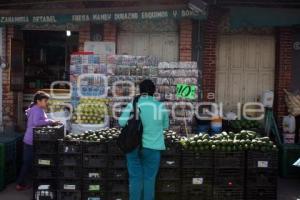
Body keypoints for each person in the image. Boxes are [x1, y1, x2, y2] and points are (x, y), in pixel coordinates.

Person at [118, 79, 169, 200]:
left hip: (133, 146)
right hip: (153, 147)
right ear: (153, 91)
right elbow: (165, 126)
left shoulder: (133, 104)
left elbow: (121, 122)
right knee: (149, 179)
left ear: (140, 91)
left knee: (135, 178)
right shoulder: (160, 106)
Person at [16, 91, 59, 191]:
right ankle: (19, 183)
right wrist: (50, 121)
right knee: (27, 162)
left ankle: (28, 181)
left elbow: (41, 120)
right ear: (38, 101)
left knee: (30, 162)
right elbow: (36, 122)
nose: (46, 103)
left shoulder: (39, 109)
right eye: (45, 101)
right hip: (30, 140)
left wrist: (49, 121)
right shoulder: (36, 110)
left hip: (34, 139)